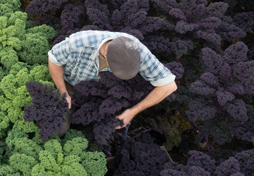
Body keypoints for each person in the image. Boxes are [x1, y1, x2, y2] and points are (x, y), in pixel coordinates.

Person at [47, 30, 177, 133]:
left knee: (104, 132)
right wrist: (63, 91)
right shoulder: (79, 43)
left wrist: (133, 111)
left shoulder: (135, 50)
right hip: (72, 83)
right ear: (105, 55)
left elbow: (169, 85)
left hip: (104, 94)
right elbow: (54, 59)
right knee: (59, 129)